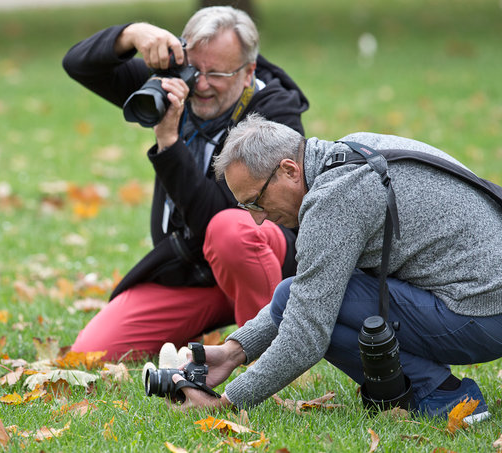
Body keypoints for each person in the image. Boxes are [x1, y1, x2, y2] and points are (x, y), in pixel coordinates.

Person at [170, 113, 502, 422]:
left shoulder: (332, 202)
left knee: (316, 312)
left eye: (257, 201)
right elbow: (302, 293)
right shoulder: (353, 149)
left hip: (482, 313)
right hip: (485, 300)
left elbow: (306, 335)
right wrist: (233, 352)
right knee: (301, 295)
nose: (257, 218)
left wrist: (225, 403)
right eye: (245, 206)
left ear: (289, 170)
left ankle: (444, 399)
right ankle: (441, 389)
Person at [62, 7, 309, 361]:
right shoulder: (178, 90)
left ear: (247, 72)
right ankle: (210, 329)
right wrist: (133, 34)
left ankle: (270, 358)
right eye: (195, 68)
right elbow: (78, 64)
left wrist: (169, 144)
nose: (202, 85)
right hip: (193, 271)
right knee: (93, 351)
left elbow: (218, 219)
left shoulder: (274, 114)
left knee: (230, 231)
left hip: (262, 263)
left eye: (217, 73)